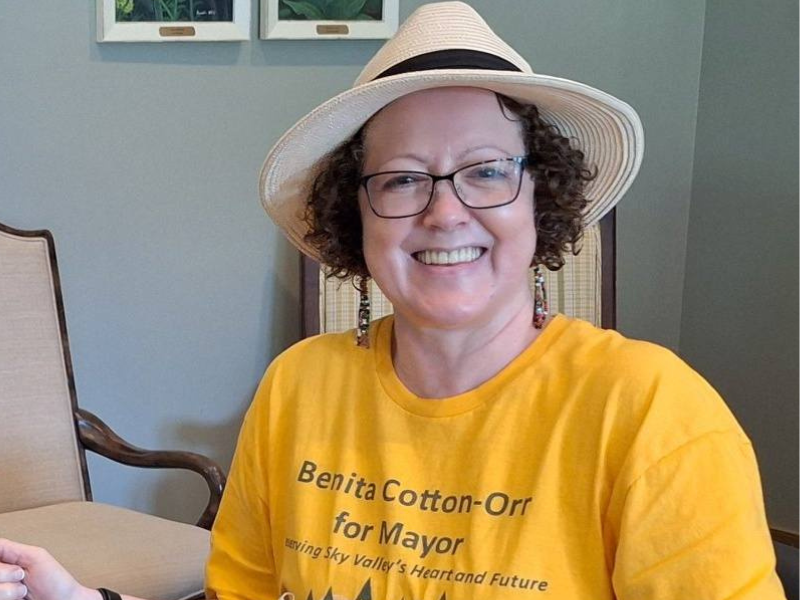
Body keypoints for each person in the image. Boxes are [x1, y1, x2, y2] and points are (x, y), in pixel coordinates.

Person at [0, 2, 787, 599]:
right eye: (403, 179)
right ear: (357, 215)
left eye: (485, 170)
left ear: (538, 200)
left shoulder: (654, 413)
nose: (444, 212)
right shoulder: (299, 387)